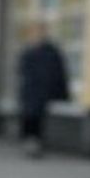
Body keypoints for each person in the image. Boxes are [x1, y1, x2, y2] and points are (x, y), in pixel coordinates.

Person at [17, 25, 69, 159]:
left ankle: (34, 143)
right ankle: (32, 143)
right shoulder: (29, 52)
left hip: (42, 93)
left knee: (36, 118)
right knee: (30, 118)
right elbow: (21, 72)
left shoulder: (50, 52)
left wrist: (61, 93)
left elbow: (59, 74)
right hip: (31, 92)